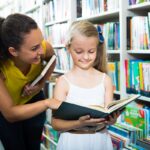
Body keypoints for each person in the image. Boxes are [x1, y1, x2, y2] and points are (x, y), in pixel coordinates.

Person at [51, 21, 120, 150]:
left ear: (97, 50)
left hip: (100, 139)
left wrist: (112, 120)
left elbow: (109, 115)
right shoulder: (63, 82)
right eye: (79, 51)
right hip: (72, 141)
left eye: (91, 51)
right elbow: (55, 123)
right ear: (68, 49)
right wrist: (78, 123)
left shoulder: (105, 80)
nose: (86, 57)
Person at [0, 13, 61, 150]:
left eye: (41, 43)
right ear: (13, 51)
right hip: (8, 113)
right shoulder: (2, 69)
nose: (41, 50)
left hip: (34, 102)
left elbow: (52, 60)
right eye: (34, 48)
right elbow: (10, 114)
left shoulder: (43, 47)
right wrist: (47, 102)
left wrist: (40, 85)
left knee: (33, 146)